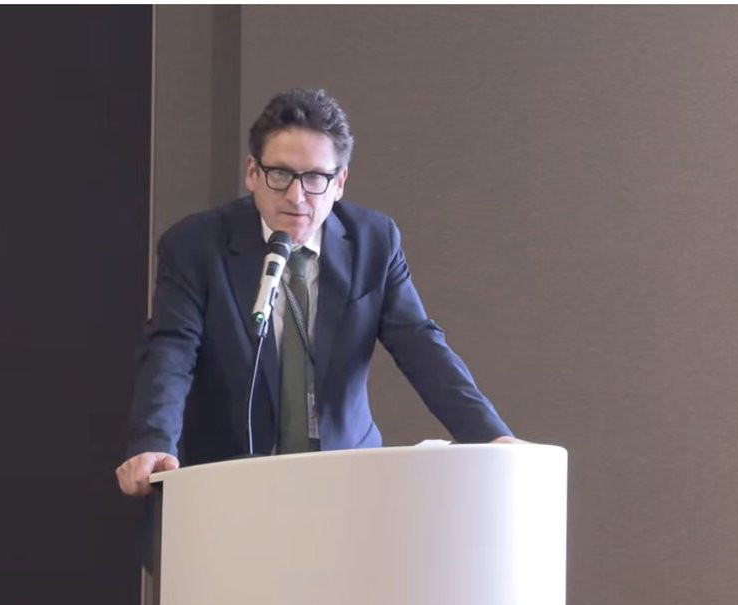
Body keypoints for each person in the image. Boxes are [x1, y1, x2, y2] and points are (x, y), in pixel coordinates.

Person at [117, 88, 520, 497]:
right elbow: (171, 351)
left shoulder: (374, 242)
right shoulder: (195, 245)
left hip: (346, 482)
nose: (296, 197)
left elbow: (420, 345)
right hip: (230, 480)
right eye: (280, 175)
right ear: (252, 172)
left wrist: (491, 436)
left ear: (339, 182)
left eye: (315, 178)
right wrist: (154, 442)